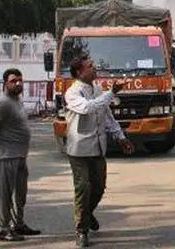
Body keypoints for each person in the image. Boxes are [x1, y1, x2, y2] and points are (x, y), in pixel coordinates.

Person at [64, 55, 135, 248]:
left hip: (97, 147)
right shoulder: (72, 93)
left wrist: (120, 137)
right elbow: (88, 108)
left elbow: (107, 116)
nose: (95, 69)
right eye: (90, 66)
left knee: (99, 186)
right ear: (79, 72)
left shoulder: (97, 89)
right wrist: (111, 93)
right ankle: (81, 230)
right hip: (79, 149)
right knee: (83, 189)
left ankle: (87, 214)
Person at [0, 68, 41, 242]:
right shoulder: (4, 103)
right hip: (6, 155)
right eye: (13, 81)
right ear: (5, 84)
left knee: (20, 194)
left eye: (20, 80)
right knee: (5, 195)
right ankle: (2, 229)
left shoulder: (17, 99)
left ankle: (18, 224)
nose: (18, 83)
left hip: (20, 155)